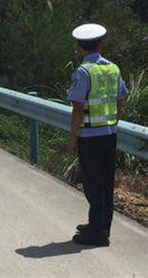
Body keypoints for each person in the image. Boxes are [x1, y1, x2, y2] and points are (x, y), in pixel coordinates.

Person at [67, 23, 128, 246]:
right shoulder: (113, 69)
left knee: (93, 185)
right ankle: (101, 226)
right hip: (110, 134)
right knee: (106, 183)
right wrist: (112, 123)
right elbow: (121, 101)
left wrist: (72, 139)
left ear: (78, 46)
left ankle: (96, 235)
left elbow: (77, 109)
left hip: (89, 137)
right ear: (100, 44)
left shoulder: (83, 72)